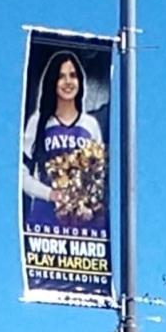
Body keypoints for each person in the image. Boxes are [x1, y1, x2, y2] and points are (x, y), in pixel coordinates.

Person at [20, 47, 106, 232]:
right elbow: (21, 174)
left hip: (83, 224)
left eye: (73, 75)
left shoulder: (90, 124)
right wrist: (51, 194)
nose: (68, 82)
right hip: (44, 223)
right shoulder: (39, 122)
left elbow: (100, 176)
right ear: (53, 82)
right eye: (61, 76)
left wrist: (89, 204)